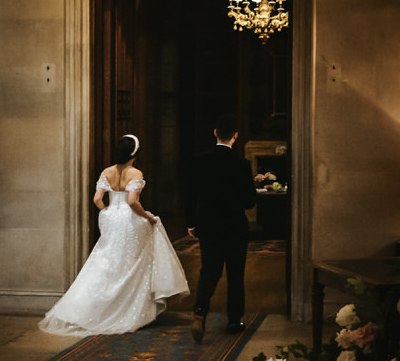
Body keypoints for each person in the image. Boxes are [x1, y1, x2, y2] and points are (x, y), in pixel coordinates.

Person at [38, 134, 189, 336]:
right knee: (131, 263)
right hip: (129, 219)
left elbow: (97, 199)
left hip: (111, 218)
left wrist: (108, 210)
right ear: (135, 152)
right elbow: (133, 202)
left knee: (108, 260)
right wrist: (148, 217)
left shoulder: (107, 171)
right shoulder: (135, 172)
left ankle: (92, 308)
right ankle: (129, 308)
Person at [184, 113, 258, 342]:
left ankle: (199, 312)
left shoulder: (199, 161)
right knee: (235, 275)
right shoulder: (242, 164)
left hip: (209, 225)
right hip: (235, 226)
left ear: (215, 133)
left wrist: (191, 223)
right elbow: (249, 202)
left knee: (209, 271)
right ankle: (234, 321)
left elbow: (190, 195)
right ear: (236, 135)